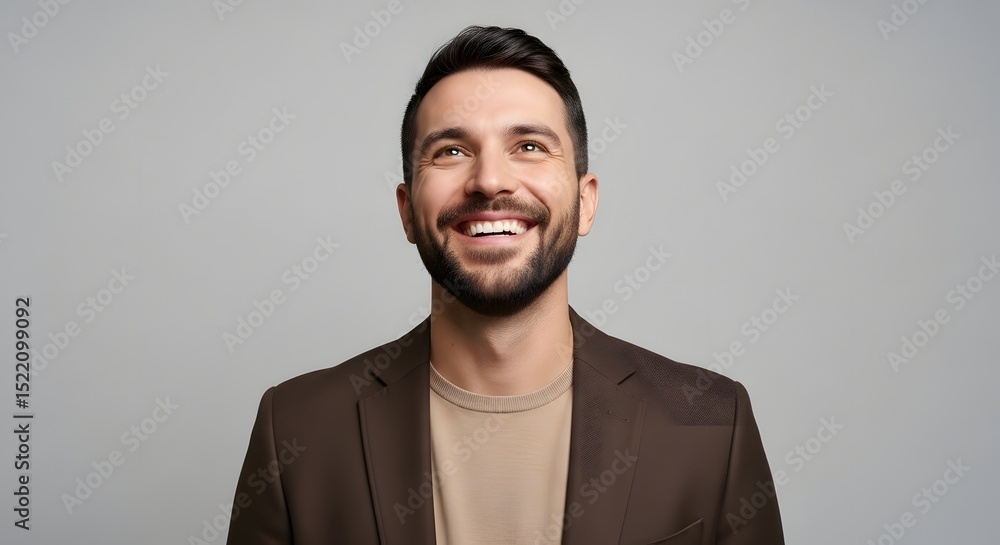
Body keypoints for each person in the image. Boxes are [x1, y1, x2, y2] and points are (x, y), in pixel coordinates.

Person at [226, 25, 784, 545]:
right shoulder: (296, 430)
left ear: (586, 200)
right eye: (451, 151)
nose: (490, 180)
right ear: (405, 210)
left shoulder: (710, 422)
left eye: (530, 147)